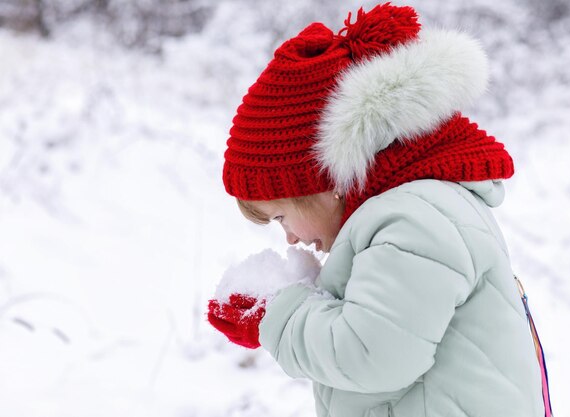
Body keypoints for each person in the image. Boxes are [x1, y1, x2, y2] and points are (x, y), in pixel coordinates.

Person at [208, 3, 549, 416]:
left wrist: (275, 315)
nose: (291, 237)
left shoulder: (415, 220)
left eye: (280, 217)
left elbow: (371, 355)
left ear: (323, 184)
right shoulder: (412, 212)